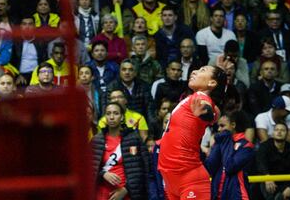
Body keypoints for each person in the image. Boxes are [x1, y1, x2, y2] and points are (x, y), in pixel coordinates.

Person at [158, 65, 227, 199]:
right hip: (172, 178)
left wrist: (204, 113)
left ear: (211, 83)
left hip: (188, 178)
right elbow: (215, 112)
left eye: (202, 70)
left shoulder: (200, 97)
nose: (194, 71)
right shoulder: (193, 99)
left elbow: (207, 110)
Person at [91, 102, 150, 199]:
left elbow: (143, 168)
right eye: (108, 113)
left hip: (127, 193)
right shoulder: (97, 140)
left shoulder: (133, 139)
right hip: (102, 193)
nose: (112, 117)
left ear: (122, 117)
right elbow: (88, 168)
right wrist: (103, 173)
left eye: (116, 113)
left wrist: (126, 190)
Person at [205, 111, 254, 200]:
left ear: (233, 125)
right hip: (216, 194)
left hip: (237, 195)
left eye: (222, 126)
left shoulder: (246, 146)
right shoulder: (220, 142)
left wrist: (226, 139)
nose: (219, 130)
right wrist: (218, 143)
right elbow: (209, 168)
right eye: (218, 126)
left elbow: (230, 167)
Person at [256, 122, 290, 200]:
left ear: (287, 134)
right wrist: (267, 177)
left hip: (284, 183)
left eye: (282, 130)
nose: (279, 132)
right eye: (276, 130)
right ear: (273, 133)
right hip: (267, 179)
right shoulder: (264, 147)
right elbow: (260, 163)